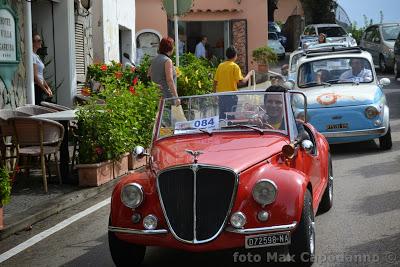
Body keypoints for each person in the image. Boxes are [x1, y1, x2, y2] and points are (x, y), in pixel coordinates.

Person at [213, 46, 254, 118]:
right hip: (231, 96)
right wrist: (249, 74)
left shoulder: (220, 66)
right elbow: (242, 81)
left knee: (222, 117)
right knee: (230, 117)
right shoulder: (235, 67)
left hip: (221, 96)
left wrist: (214, 94)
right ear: (235, 55)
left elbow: (215, 81)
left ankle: (222, 128)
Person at [149, 37, 180, 106]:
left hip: (156, 94)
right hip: (166, 96)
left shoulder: (155, 58)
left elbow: (149, 74)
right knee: (167, 115)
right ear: (170, 48)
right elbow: (169, 80)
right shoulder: (167, 60)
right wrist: (176, 97)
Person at [32, 33, 52, 105]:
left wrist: (47, 87)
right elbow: (36, 77)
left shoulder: (36, 56)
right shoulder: (32, 56)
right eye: (39, 40)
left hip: (40, 87)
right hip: (37, 87)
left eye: (41, 40)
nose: (41, 42)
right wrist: (45, 90)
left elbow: (41, 76)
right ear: (33, 42)